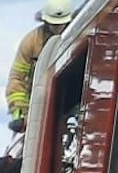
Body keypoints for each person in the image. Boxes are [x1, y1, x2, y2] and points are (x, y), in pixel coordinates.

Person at [7, 0, 76, 133]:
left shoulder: (79, 34)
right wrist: (21, 114)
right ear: (45, 21)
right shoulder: (31, 42)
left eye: (61, 24)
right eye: (54, 24)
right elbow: (17, 79)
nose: (57, 28)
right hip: (37, 106)